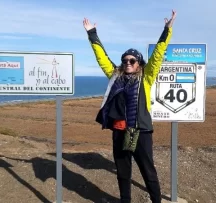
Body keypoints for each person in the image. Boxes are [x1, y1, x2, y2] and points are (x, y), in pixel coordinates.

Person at [83, 10, 176, 203]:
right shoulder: (115, 76)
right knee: (123, 172)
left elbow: (158, 55)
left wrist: (167, 31)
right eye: (125, 60)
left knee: (148, 172)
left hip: (141, 132)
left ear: (139, 64)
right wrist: (92, 33)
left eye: (132, 61)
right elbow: (102, 58)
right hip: (119, 131)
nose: (127, 63)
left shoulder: (147, 77)